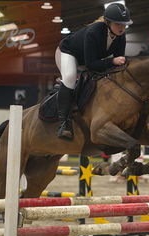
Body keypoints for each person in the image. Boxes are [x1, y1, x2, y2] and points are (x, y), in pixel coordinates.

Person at [54, 3, 133, 141]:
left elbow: (118, 64)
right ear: (108, 22)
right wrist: (113, 61)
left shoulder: (121, 36)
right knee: (70, 77)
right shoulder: (94, 32)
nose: (122, 27)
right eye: (118, 24)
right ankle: (63, 123)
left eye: (124, 24)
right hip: (68, 52)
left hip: (90, 59)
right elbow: (91, 65)